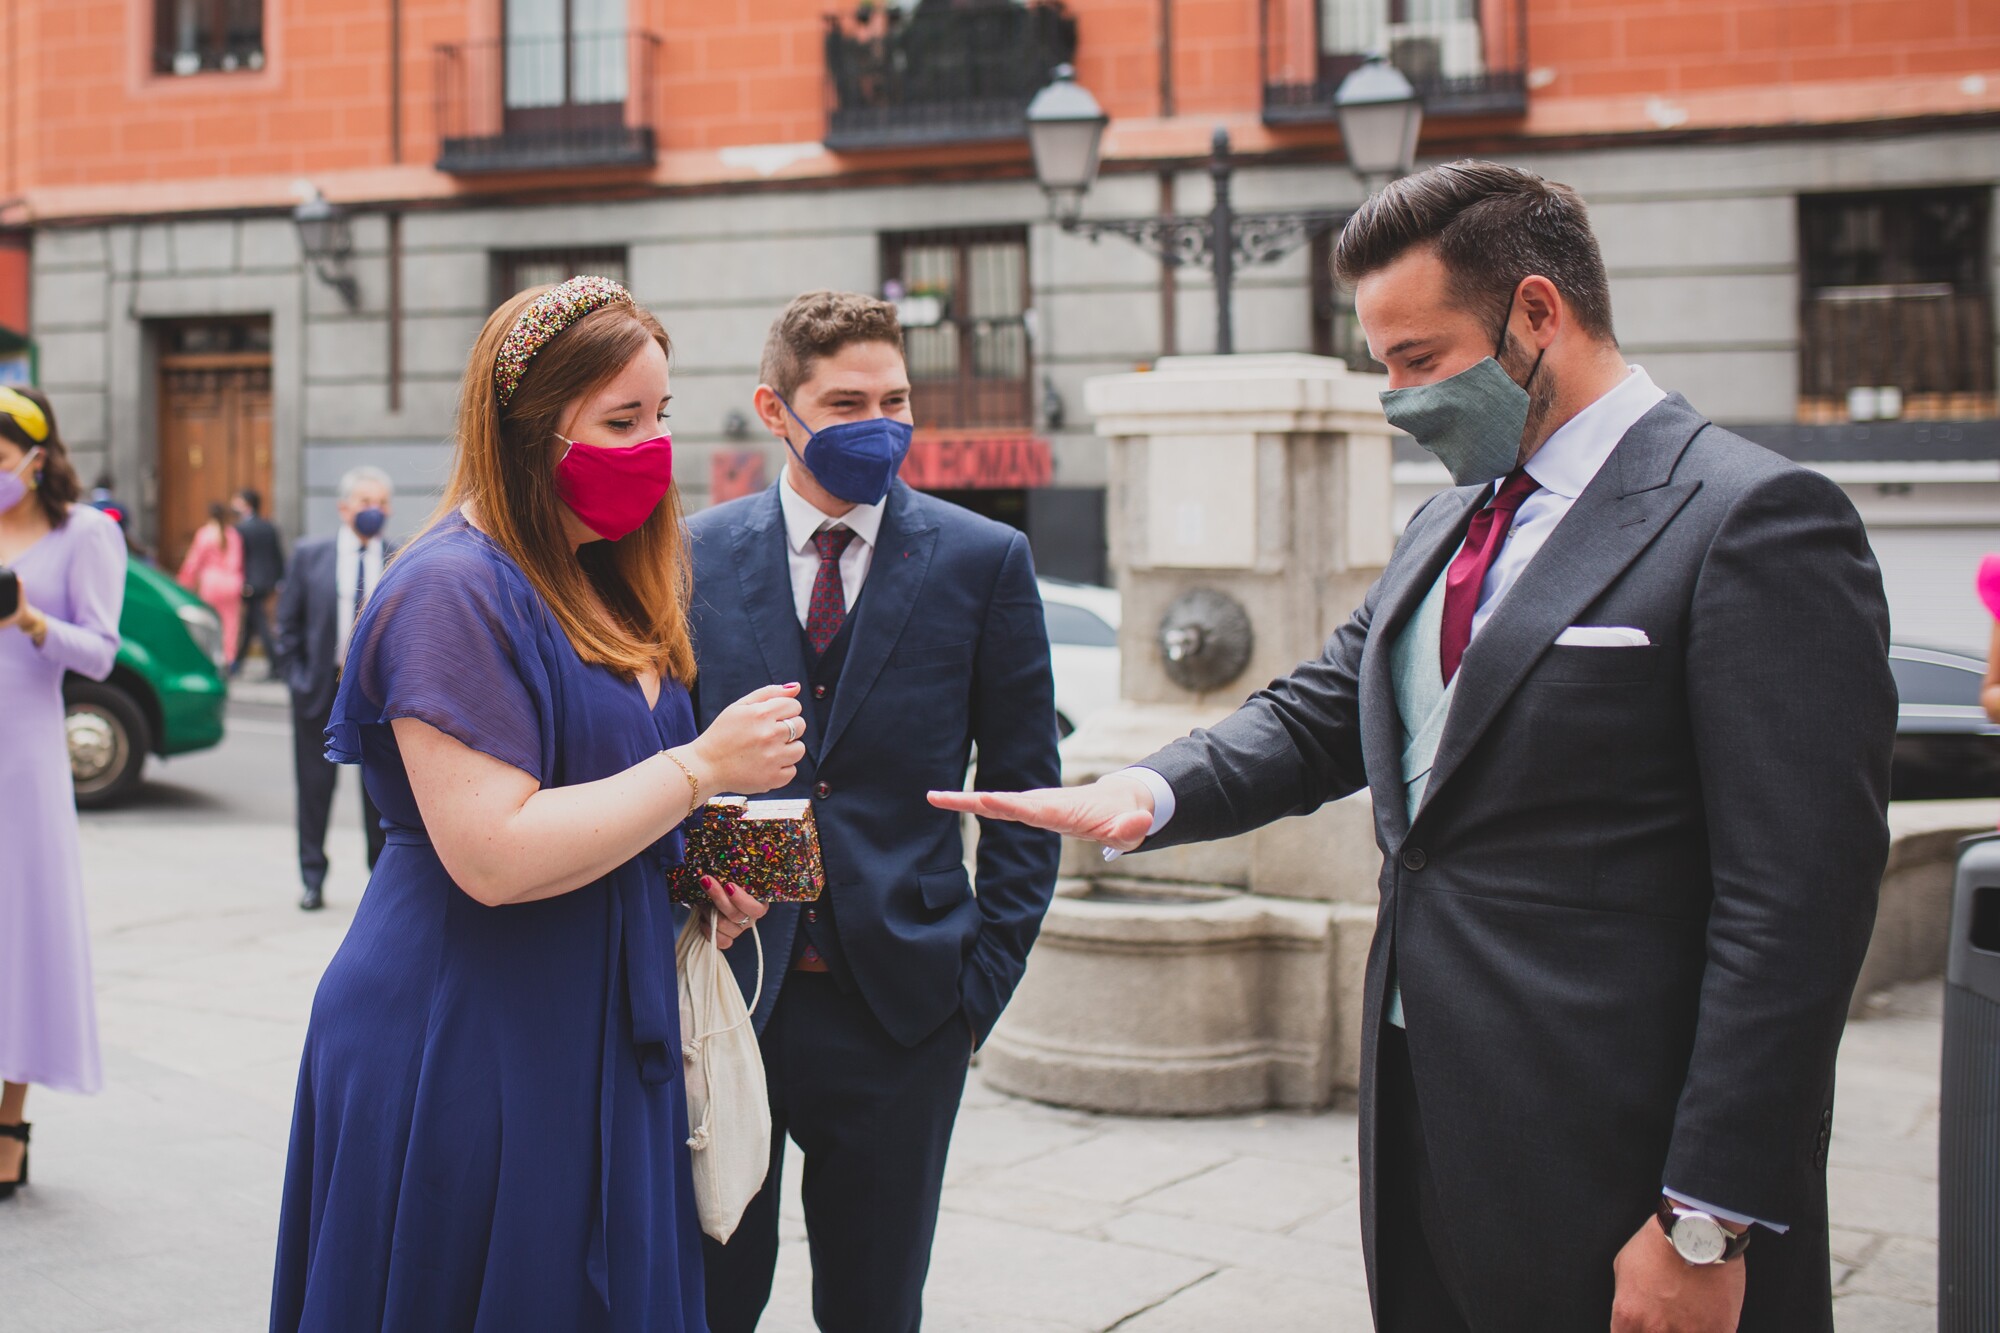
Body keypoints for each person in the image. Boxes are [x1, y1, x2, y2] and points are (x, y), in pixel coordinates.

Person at [933, 162, 1898, 1333]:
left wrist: (1706, 1215)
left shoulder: (1752, 517)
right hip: (1425, 1120)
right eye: (1380, 364)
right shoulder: (1447, 517)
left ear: (1537, 313)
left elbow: (1796, 905)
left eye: (1418, 361)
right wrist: (1141, 790)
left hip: (1622, 1146)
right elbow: (1321, 709)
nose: (1394, 398)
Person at [270, 276, 805, 1330]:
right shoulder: (446, 590)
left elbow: (610, 797)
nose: (651, 446)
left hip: (608, 1011)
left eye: (661, 416)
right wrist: (701, 768)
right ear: (525, 433)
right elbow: (495, 853)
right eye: (619, 421)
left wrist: (702, 872)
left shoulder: (608, 575)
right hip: (470, 1027)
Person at [689, 290, 1062, 1333]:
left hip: (902, 1009)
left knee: (874, 1307)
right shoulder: (690, 556)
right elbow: (661, 764)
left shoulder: (981, 559)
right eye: (846, 401)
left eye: (894, 398)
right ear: (775, 407)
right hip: (727, 996)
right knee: (706, 1299)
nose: (879, 422)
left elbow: (1024, 790)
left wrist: (974, 988)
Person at [0, 385, 126, 1200]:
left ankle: (10, 1121)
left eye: (2, 458)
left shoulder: (84, 535)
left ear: (37, 457)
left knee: (22, 931)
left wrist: (32, 621)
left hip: (24, 760)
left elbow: (103, 653)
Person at [273, 467, 396, 911]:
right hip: (321, 687)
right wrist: (298, 680)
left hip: (375, 693)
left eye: (381, 503)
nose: (373, 511)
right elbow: (287, 626)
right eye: (365, 502)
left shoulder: (399, 557)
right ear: (344, 508)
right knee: (314, 786)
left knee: (378, 791)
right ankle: (312, 877)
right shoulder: (311, 555)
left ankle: (379, 884)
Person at [177, 500, 244, 666]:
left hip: (211, 584)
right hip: (231, 583)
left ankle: (212, 658)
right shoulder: (233, 535)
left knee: (210, 622)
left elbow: (193, 562)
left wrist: (184, 582)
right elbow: (238, 562)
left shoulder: (205, 534)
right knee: (231, 624)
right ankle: (229, 658)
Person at [231, 487, 285, 677]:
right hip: (267, 581)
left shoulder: (240, 529)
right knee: (252, 623)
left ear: (246, 504)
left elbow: (238, 559)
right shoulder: (268, 525)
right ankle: (237, 662)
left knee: (260, 624)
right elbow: (278, 554)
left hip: (250, 582)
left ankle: (277, 665)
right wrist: (279, 578)